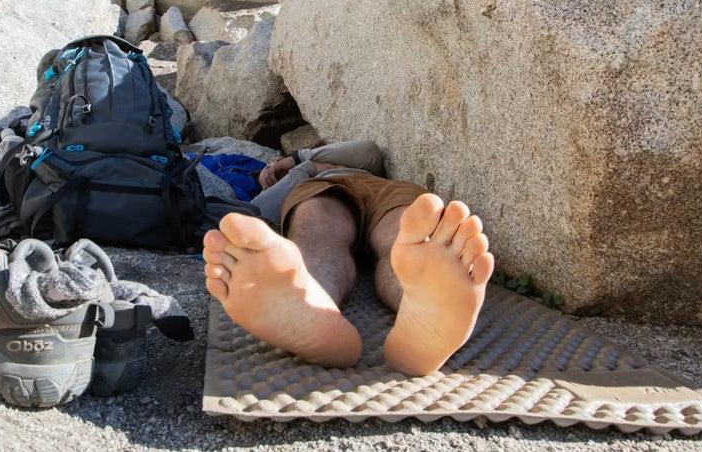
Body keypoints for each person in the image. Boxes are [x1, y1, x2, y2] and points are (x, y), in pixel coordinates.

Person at [202, 140, 494, 376]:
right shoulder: (286, 185)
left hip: (384, 190)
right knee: (316, 226)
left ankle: (427, 310)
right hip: (321, 191)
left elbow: (367, 150)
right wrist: (282, 181)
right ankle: (309, 306)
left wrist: (298, 161)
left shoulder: (345, 165)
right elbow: (253, 217)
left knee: (407, 232)